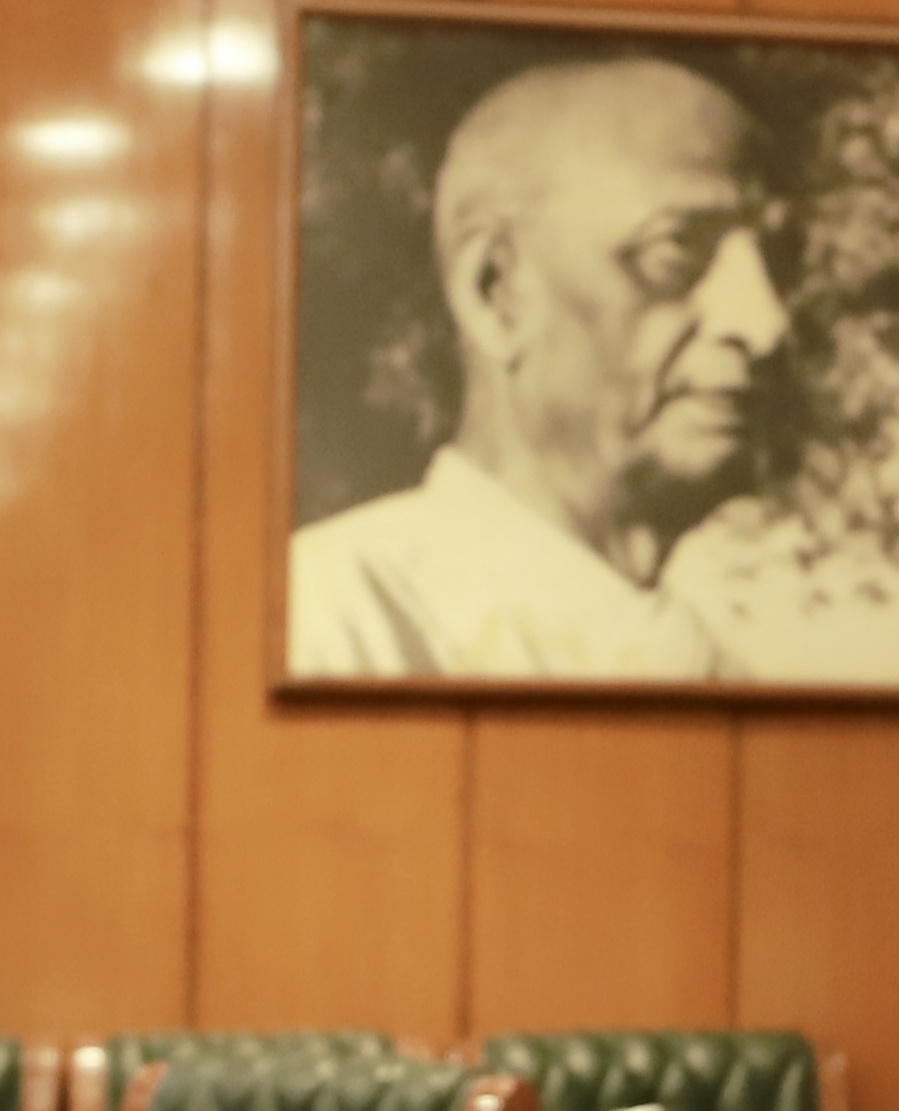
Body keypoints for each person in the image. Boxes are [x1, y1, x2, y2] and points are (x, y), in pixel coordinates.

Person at [285, 56, 788, 684]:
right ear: (497, 293)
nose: (766, 323)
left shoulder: (729, 677)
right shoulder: (327, 626)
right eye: (675, 252)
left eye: (779, 260)